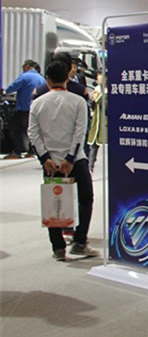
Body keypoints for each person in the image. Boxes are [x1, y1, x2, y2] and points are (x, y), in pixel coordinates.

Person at [28, 61, 98, 260]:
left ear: (47, 80)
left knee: (53, 202)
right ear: (67, 77)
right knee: (86, 200)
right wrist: (70, 158)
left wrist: (45, 158)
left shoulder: (37, 103)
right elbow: (80, 132)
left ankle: (58, 248)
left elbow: (33, 133)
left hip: (50, 162)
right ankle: (80, 242)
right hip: (76, 160)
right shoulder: (78, 102)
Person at [3, 59, 46, 159]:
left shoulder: (25, 76)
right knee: (33, 130)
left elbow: (10, 88)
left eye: (23, 66)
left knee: (17, 130)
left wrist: (6, 91)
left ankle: (17, 152)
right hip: (37, 108)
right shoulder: (41, 78)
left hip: (24, 108)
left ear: (27, 66)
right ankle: (32, 151)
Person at [87, 74, 107, 172]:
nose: (99, 78)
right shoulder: (96, 90)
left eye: (101, 76)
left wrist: (99, 97)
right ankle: (90, 167)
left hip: (106, 124)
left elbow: (106, 106)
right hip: (96, 122)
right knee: (93, 146)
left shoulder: (111, 91)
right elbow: (92, 105)